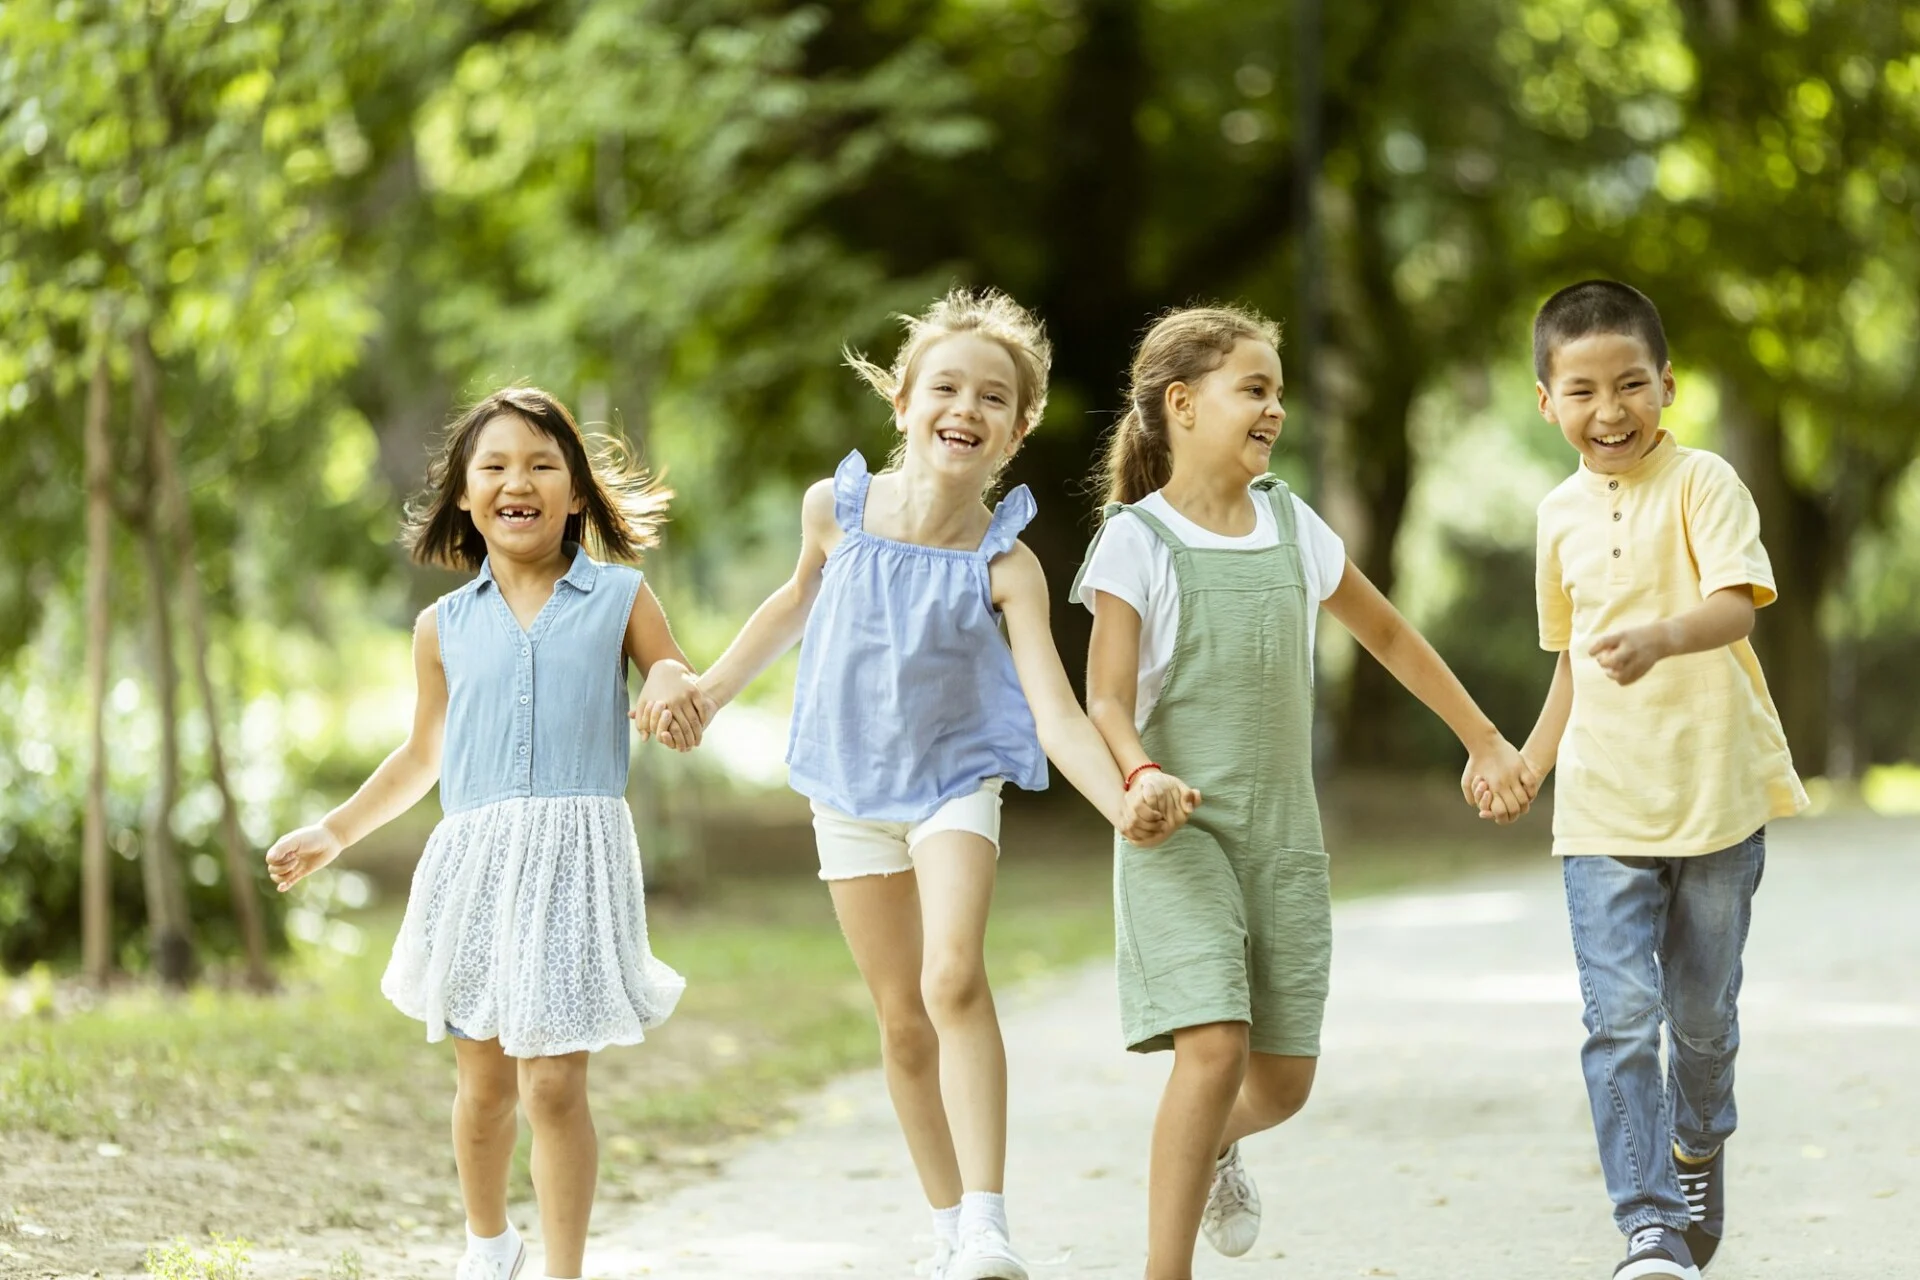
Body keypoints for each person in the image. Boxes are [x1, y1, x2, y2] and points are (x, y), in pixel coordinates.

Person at [672, 288, 1196, 1280]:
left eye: (992, 397)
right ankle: (950, 1221)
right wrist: (706, 689)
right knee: (901, 1017)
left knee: (950, 974)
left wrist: (1126, 793)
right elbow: (791, 604)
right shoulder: (837, 510)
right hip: (848, 783)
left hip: (954, 778)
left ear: (1017, 427)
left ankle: (992, 1222)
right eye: (946, 385)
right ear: (904, 400)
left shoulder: (1009, 561)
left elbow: (1053, 710)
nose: (966, 406)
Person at [1074, 304, 1535, 1280]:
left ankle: (1208, 1149)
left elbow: (1394, 638)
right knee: (1212, 1047)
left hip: (1284, 841)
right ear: (1182, 404)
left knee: (1282, 1083)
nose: (1275, 407)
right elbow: (1105, 696)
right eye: (1255, 388)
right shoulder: (1135, 541)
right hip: (1178, 830)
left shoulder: (1292, 523)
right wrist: (1138, 771)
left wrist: (1486, 738)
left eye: (1278, 390)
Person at [265, 387, 705, 1280]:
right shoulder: (441, 628)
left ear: (577, 492)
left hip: (578, 863)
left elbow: (673, 672)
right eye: (496, 466)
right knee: (484, 1089)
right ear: (464, 496)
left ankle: (563, 1270)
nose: (520, 481)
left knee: (553, 1085)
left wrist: (668, 686)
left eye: (544, 465)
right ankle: (487, 1244)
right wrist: (334, 831)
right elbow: (421, 755)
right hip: (477, 868)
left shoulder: (621, 595)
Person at [1519, 280, 1807, 1280]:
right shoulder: (1554, 515)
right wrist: (1528, 761)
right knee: (1617, 1018)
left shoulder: (1706, 482)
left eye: (1632, 384)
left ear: (1667, 385)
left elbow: (1736, 604)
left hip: (1715, 795)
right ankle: (1647, 1221)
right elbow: (1570, 665)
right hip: (1600, 804)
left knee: (1698, 1015)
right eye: (1584, 389)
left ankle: (1698, 1138)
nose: (1611, 409)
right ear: (1546, 400)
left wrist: (1661, 634)